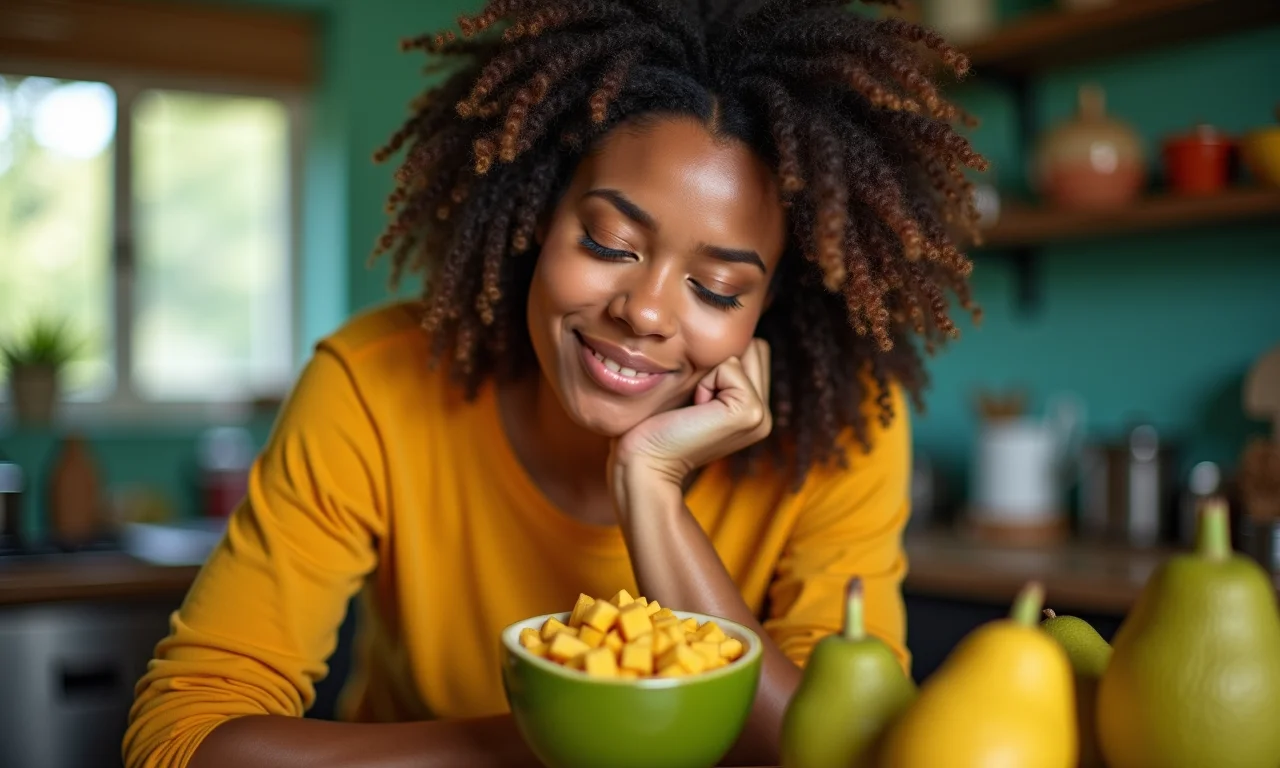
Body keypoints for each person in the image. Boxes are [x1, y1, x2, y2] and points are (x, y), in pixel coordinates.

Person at [124, 1, 986, 766]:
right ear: (540, 212)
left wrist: (652, 493)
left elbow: (840, 753)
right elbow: (181, 742)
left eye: (719, 289)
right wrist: (567, 735)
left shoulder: (845, 434)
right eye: (609, 243)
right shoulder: (374, 388)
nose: (645, 311)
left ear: (767, 305)